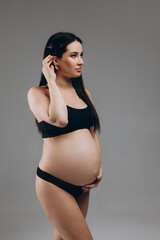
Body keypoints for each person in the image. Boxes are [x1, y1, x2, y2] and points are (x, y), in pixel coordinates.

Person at [27, 32, 103, 240]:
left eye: (81, 55)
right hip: (54, 184)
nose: (81, 61)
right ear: (55, 61)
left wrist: (98, 168)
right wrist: (51, 80)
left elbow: (92, 131)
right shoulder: (38, 94)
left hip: (83, 187)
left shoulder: (84, 94)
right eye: (74, 55)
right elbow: (60, 119)